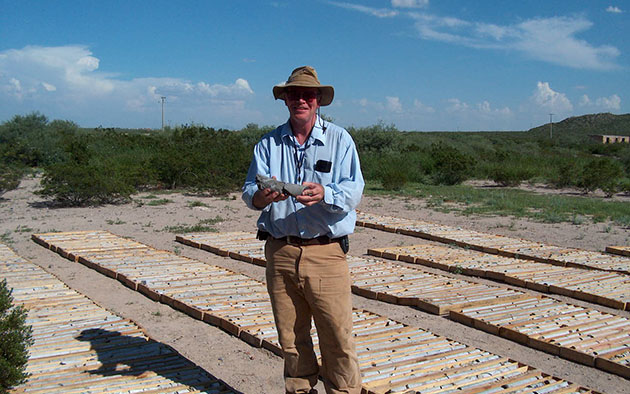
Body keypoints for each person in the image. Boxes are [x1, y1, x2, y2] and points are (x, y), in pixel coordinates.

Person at [242, 66, 364, 394]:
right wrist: (261, 196)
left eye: (307, 95)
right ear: (285, 100)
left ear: (318, 101)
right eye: (294, 94)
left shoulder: (340, 140)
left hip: (326, 252)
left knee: (337, 338)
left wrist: (326, 193)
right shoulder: (267, 144)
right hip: (280, 251)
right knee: (292, 341)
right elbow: (248, 191)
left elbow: (354, 191)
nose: (301, 100)